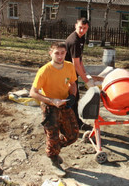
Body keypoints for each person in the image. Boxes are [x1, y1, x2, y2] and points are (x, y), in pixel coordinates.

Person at [29, 42, 79, 177]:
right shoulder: (44, 71)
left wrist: (72, 96)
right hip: (50, 106)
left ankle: (54, 149)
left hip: (64, 104)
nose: (60, 56)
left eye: (63, 53)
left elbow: (73, 83)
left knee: (73, 135)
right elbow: (33, 92)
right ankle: (53, 160)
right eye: (57, 53)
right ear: (50, 53)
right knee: (52, 136)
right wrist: (51, 101)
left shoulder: (69, 66)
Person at [65, 17, 94, 130]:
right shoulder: (74, 41)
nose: (82, 30)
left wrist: (85, 73)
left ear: (87, 29)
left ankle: (75, 122)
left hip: (72, 71)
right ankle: (73, 124)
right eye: (80, 27)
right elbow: (75, 64)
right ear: (75, 26)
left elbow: (79, 59)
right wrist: (87, 81)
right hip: (67, 73)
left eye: (84, 28)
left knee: (74, 98)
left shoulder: (81, 38)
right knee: (72, 98)